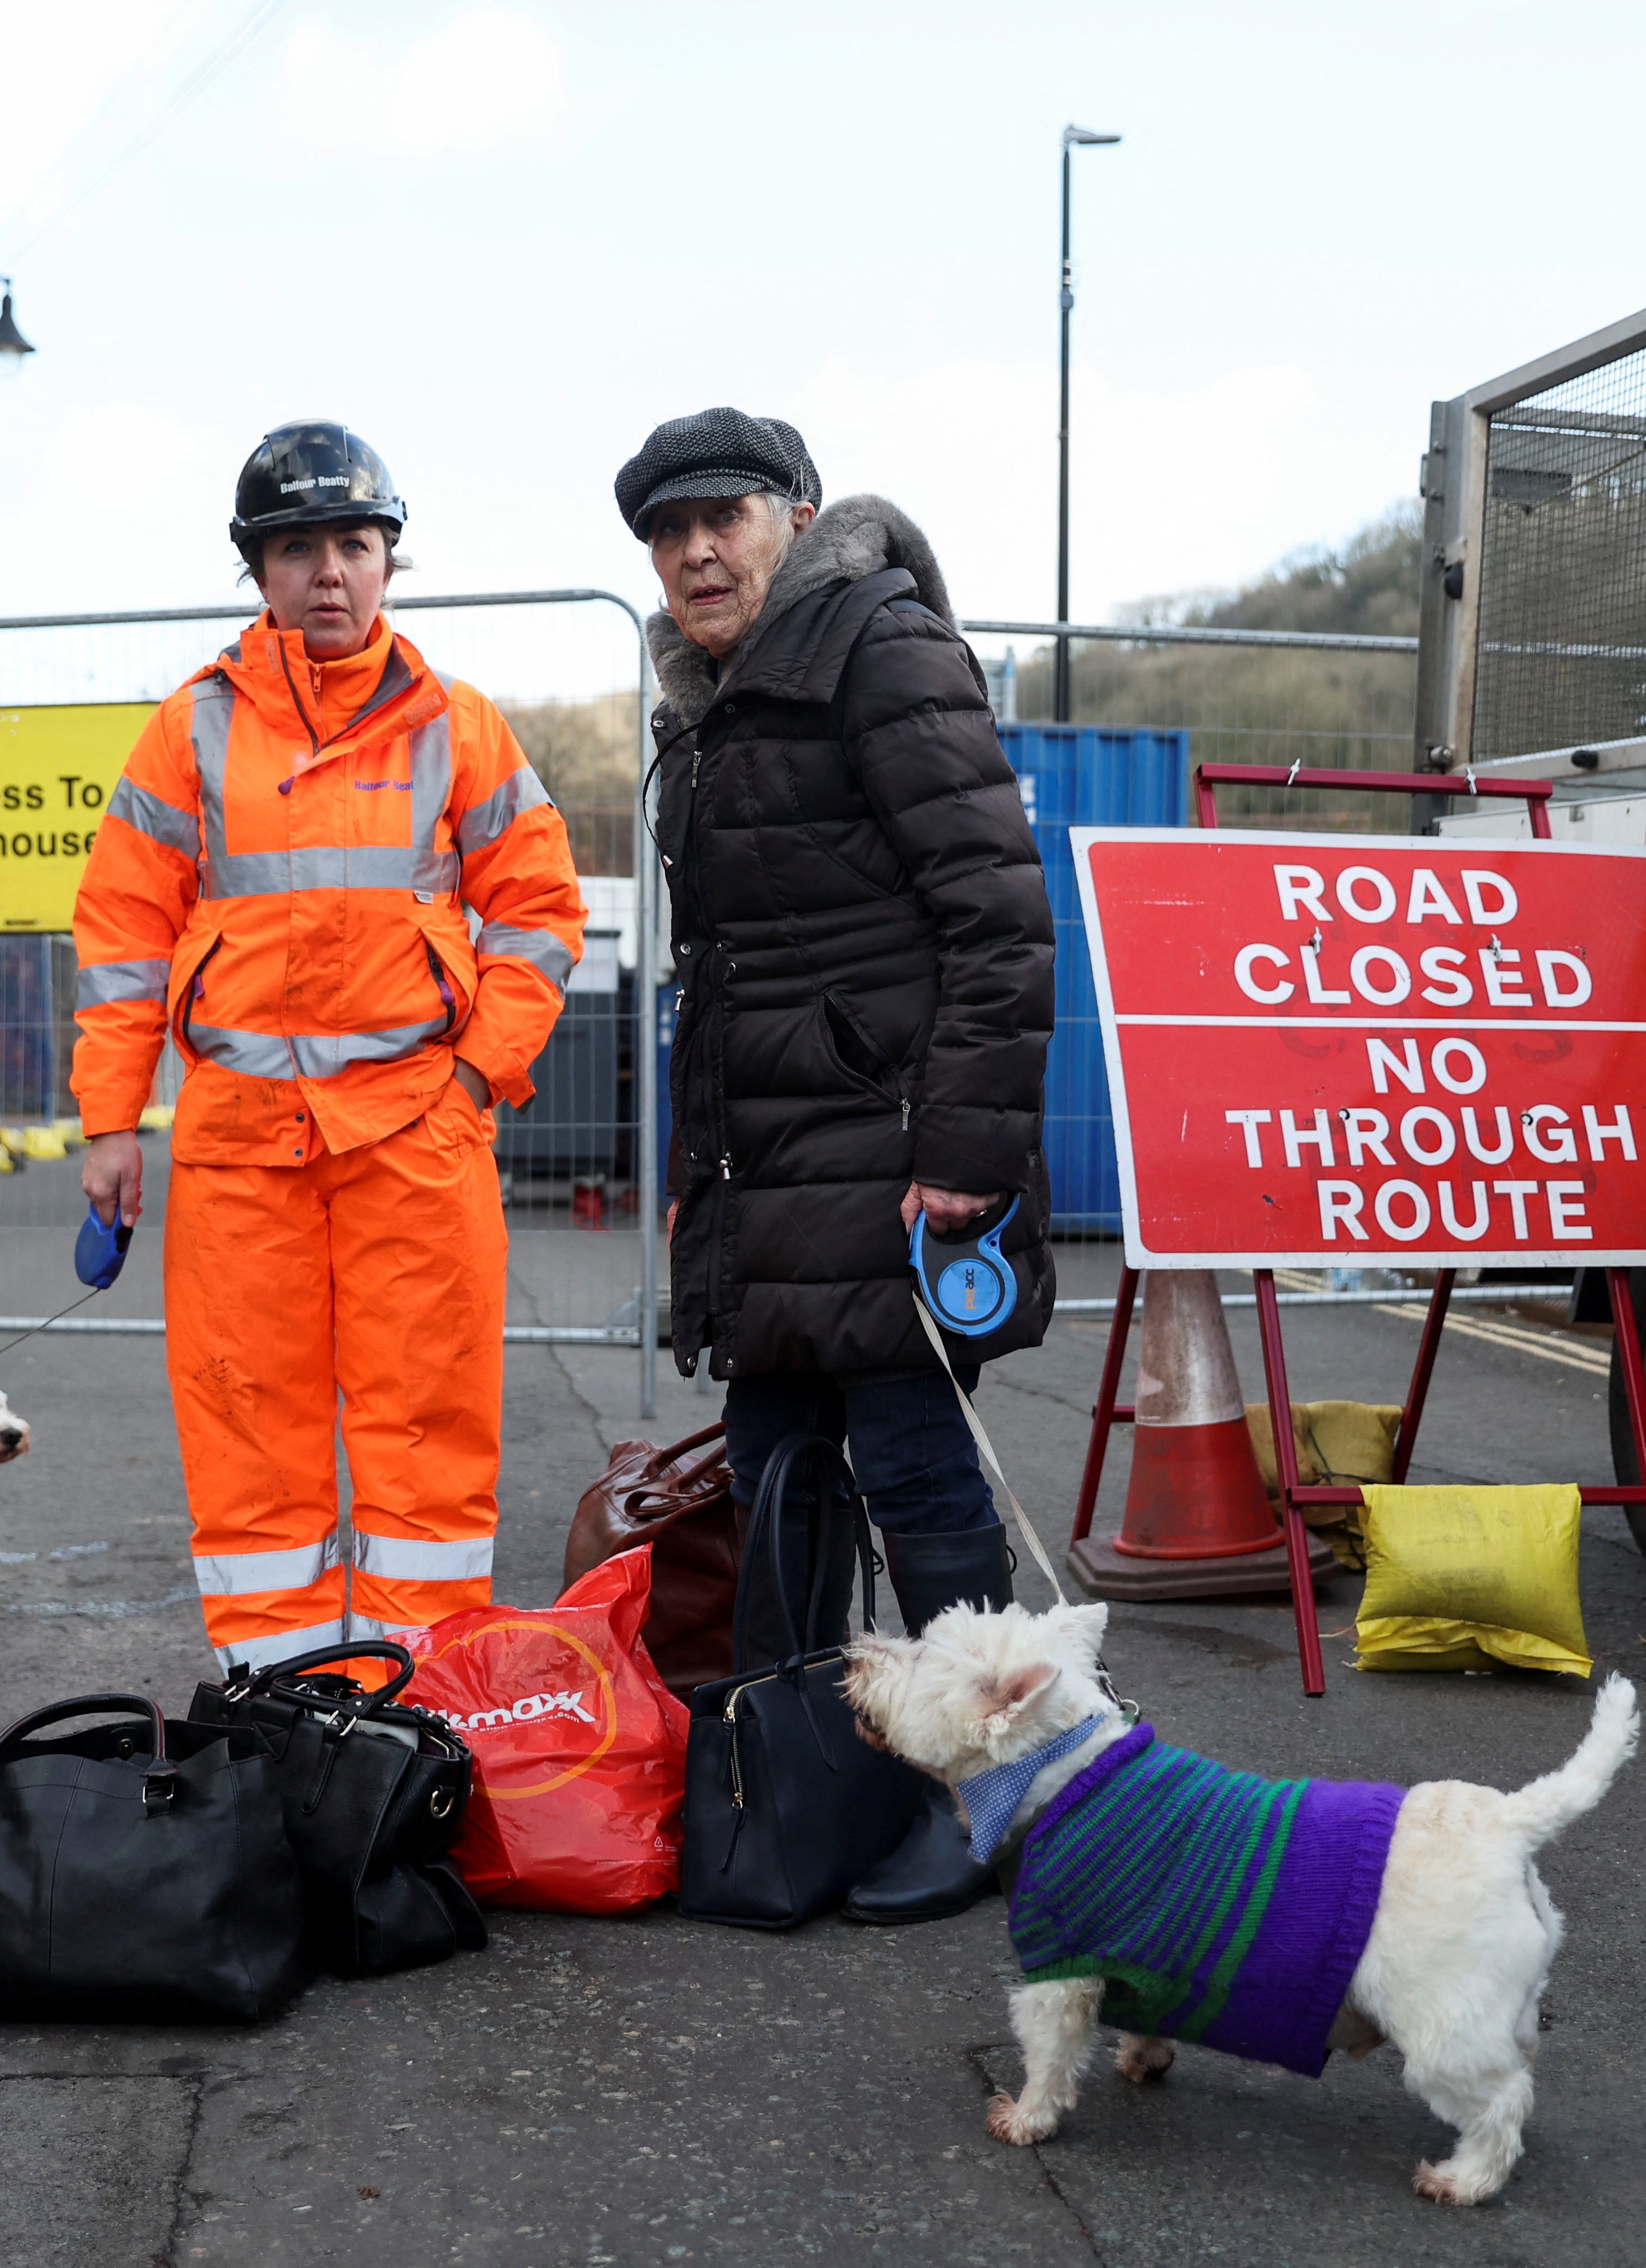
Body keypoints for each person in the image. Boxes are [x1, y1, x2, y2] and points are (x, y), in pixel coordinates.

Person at [624, 407, 1057, 1923]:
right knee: (783, 1482)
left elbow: (999, 917)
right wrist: (699, 1169)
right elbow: (727, 983)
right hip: (772, 1176)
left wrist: (964, 1147)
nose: (693, 550)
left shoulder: (878, 648)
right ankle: (809, 1776)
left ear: (796, 516)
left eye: (722, 516)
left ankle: (997, 1797)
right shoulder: (713, 702)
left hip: (888, 1168)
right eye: (668, 532)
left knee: (921, 1479)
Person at [72, 421, 587, 1670]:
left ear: (390, 559)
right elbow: (124, 932)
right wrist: (106, 1123)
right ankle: (281, 1706)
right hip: (244, 1147)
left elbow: (540, 913)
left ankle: (419, 1724)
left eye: (353, 544)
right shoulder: (191, 730)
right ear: (259, 572)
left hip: (417, 1133)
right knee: (252, 1434)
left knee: (429, 1433)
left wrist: (474, 1077)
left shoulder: (458, 726)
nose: (330, 574)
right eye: (298, 548)